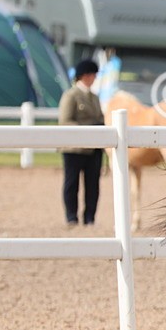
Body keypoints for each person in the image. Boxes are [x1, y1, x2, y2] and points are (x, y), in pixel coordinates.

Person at [58, 59, 105, 226]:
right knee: (72, 184)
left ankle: (89, 217)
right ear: (85, 76)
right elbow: (65, 121)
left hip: (93, 149)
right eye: (92, 75)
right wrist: (88, 127)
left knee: (93, 186)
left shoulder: (95, 97)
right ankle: (71, 217)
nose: (94, 78)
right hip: (74, 148)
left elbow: (100, 118)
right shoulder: (71, 96)